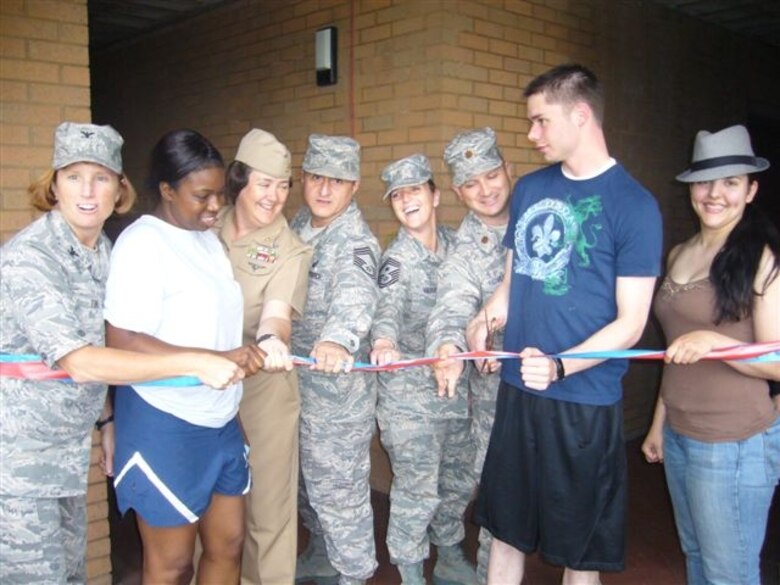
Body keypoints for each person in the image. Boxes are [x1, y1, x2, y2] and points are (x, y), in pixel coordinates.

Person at [0, 122, 243, 584]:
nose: (88, 191)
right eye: (74, 176)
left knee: (68, 574)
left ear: (120, 188)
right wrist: (199, 360)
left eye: (102, 178)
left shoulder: (103, 253)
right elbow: (82, 360)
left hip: (65, 452)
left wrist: (107, 419)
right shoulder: (30, 258)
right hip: (18, 458)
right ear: (53, 185)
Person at [448, 64, 663, 584]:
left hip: (583, 401)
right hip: (520, 391)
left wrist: (563, 366)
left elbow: (631, 324)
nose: (531, 134)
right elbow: (512, 282)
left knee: (579, 548)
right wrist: (485, 317)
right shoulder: (530, 188)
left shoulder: (635, 206)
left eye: (541, 121)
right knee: (504, 530)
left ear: (581, 114)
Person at [105, 129, 265, 584]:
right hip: (164, 421)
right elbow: (123, 340)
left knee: (228, 545)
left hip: (219, 419)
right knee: (172, 565)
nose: (216, 206)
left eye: (221, 194)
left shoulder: (208, 242)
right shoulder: (143, 243)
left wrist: (230, 396)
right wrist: (206, 359)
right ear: (167, 190)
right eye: (203, 196)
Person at [641, 124, 780, 585]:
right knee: (697, 556)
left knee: (729, 573)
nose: (714, 193)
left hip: (734, 442)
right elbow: (675, 349)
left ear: (751, 189)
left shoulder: (763, 257)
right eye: (704, 181)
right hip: (681, 434)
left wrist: (718, 345)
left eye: (730, 182)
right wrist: (660, 424)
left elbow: (778, 360)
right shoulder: (680, 252)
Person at [369, 154, 472, 585]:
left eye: (414, 189)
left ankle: (448, 555)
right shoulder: (397, 260)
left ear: (434, 194)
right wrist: (384, 340)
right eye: (397, 194)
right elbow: (386, 309)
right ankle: (411, 570)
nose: (406, 199)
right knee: (416, 488)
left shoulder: (457, 246)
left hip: (454, 389)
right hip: (409, 397)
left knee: (458, 479)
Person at [216, 128, 312, 585]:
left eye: (283, 184)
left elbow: (278, 315)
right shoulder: (203, 226)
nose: (275, 196)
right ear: (240, 181)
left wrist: (273, 340)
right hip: (202, 385)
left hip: (262, 388)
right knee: (209, 508)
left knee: (268, 512)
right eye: (264, 183)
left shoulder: (288, 247)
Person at [290, 134, 381, 585]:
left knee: (339, 493)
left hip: (336, 396)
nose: (325, 190)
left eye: (338, 181)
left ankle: (354, 573)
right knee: (307, 486)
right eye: (317, 177)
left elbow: (355, 296)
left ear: (355, 186)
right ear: (304, 179)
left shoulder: (356, 242)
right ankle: (321, 554)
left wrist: (339, 341)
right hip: (294, 387)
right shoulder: (298, 226)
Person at [427, 127, 513, 583]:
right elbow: (452, 304)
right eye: (471, 183)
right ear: (458, 191)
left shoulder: (544, 220)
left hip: (561, 381)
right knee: (494, 489)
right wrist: (449, 346)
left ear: (508, 170)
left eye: (491, 175)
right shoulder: (462, 249)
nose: (484, 190)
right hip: (496, 395)